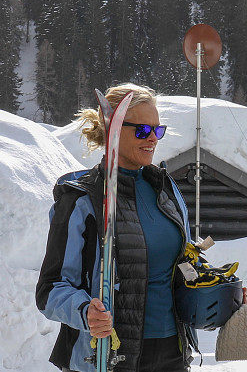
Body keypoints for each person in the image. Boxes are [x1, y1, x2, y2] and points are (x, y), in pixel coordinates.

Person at [36, 83, 195, 372]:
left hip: (173, 351)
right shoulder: (82, 199)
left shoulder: (164, 187)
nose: (153, 139)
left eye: (158, 131)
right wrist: (85, 312)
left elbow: (184, 259)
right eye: (143, 131)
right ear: (114, 129)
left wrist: (216, 289)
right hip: (110, 356)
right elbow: (50, 290)